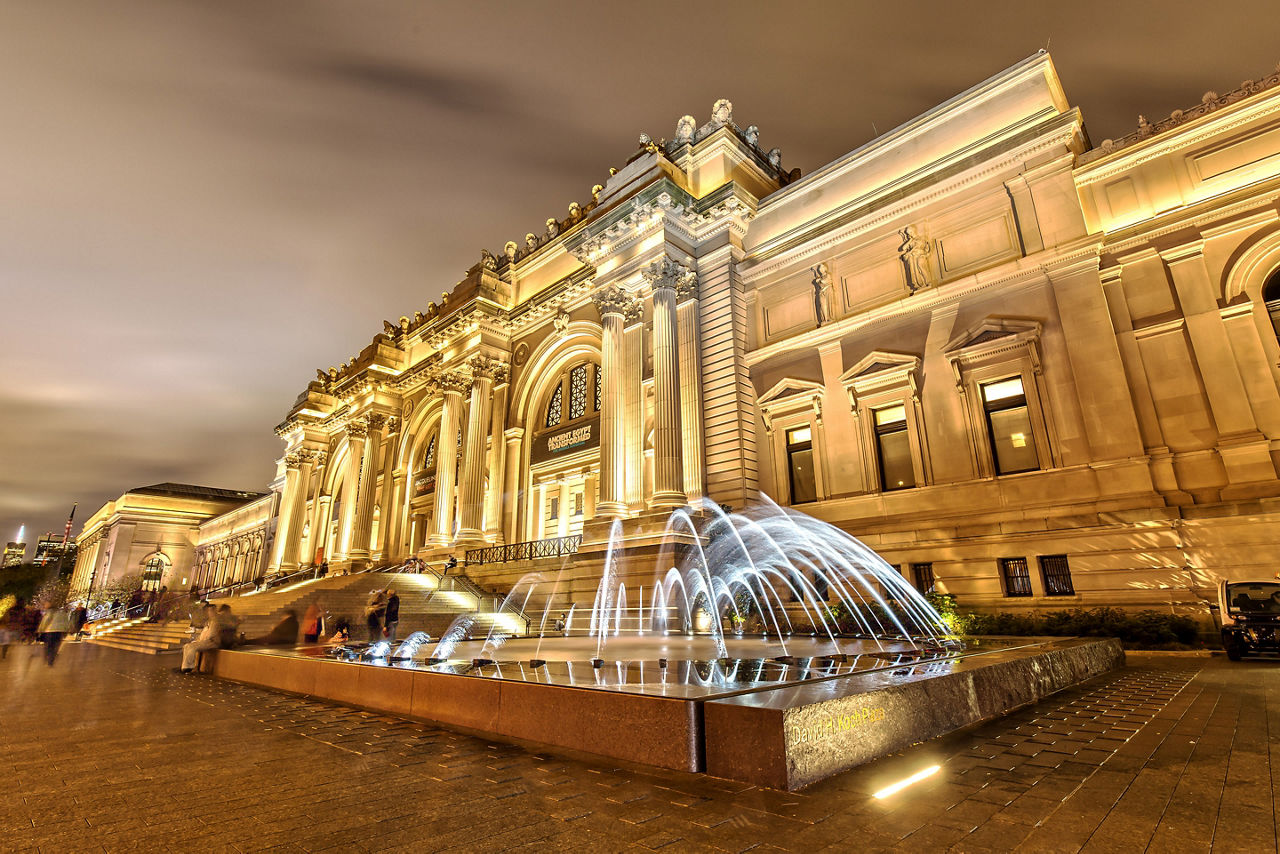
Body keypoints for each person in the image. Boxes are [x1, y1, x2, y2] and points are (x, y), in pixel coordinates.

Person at [179, 604, 220, 673]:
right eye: (208, 611)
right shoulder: (208, 621)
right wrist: (198, 640)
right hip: (205, 641)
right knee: (186, 646)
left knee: (192, 647)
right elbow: (204, 633)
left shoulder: (216, 621)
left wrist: (200, 641)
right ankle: (185, 666)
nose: (208, 613)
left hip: (212, 642)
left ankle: (189, 667)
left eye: (210, 611)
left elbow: (211, 635)